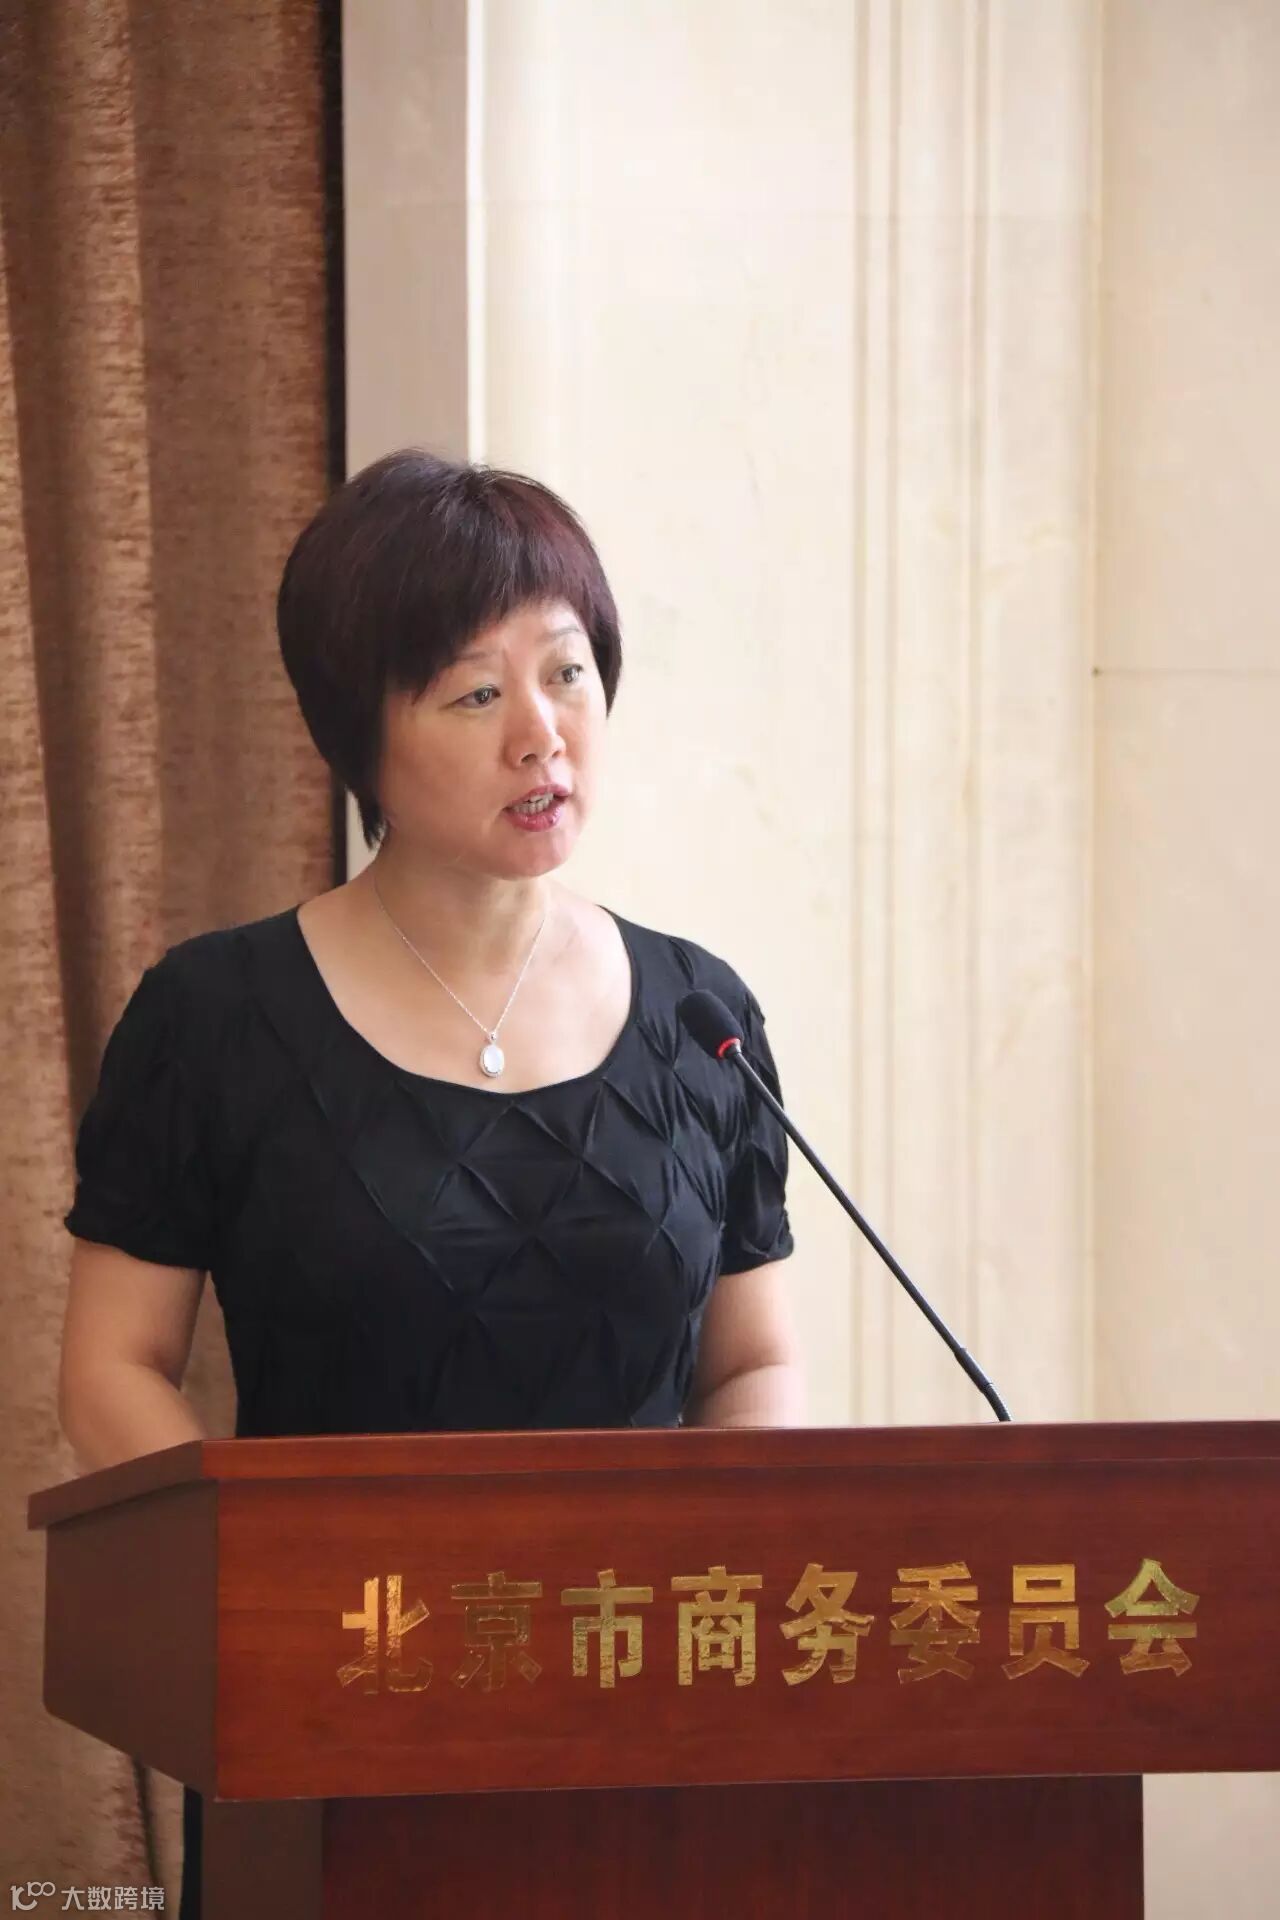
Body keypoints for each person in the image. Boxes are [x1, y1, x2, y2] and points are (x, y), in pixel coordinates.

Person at [57, 448, 802, 1917]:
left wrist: (713, 1572)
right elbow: (111, 1372)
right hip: (334, 1694)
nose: (542, 734)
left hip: (638, 1697)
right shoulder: (217, 1018)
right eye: (473, 694)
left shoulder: (701, 1016)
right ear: (360, 736)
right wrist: (267, 1590)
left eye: (569, 674)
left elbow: (752, 1363)